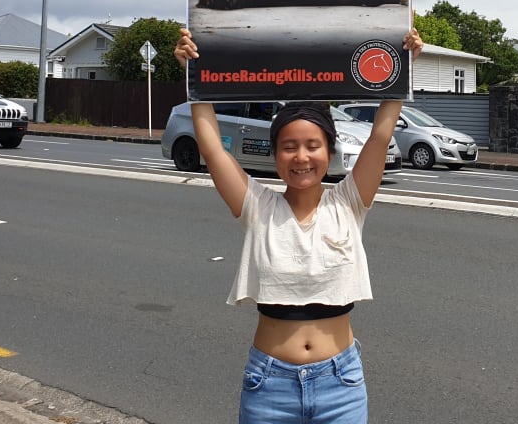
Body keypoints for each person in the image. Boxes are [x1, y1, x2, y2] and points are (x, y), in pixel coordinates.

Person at [174, 27, 422, 424]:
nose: (301, 157)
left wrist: (404, 64)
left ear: (330, 150)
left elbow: (380, 133)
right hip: (268, 385)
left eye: (313, 145)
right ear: (274, 154)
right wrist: (192, 74)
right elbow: (210, 148)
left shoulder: (349, 201)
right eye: (289, 147)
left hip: (340, 384)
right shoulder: (256, 206)